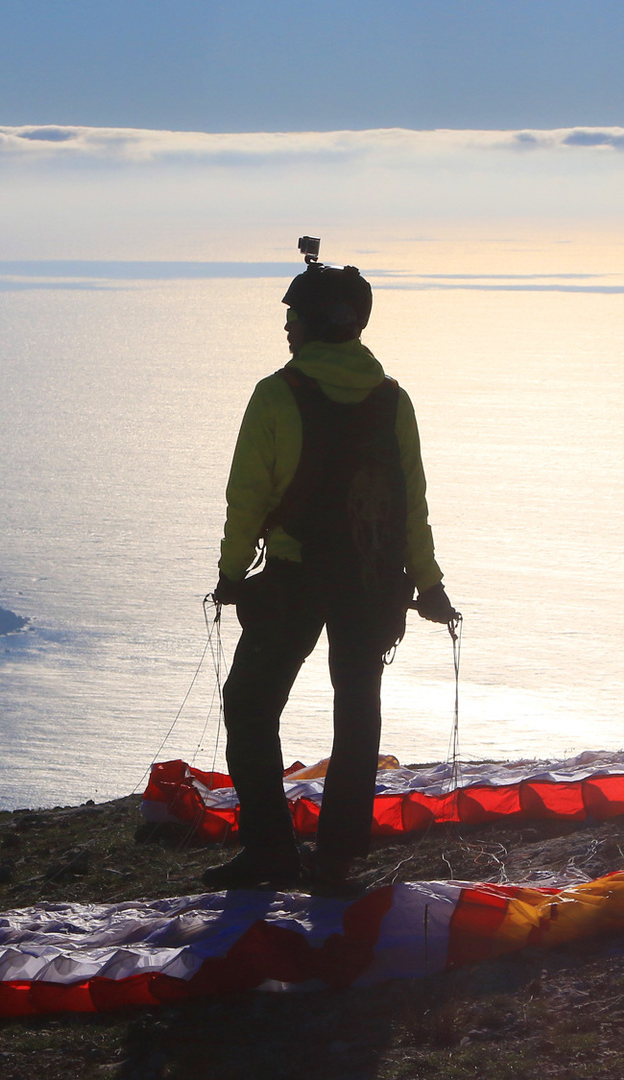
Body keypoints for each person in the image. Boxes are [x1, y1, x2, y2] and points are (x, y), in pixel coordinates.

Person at [206, 260, 456, 894]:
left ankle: (270, 851)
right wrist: (428, 585)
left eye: (293, 315)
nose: (286, 326)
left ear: (311, 325)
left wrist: (232, 574)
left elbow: (248, 496)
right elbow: (410, 504)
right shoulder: (392, 401)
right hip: (370, 582)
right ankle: (336, 859)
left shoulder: (275, 394)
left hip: (294, 576)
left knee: (250, 704)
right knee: (358, 710)